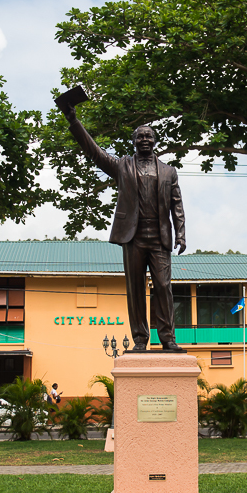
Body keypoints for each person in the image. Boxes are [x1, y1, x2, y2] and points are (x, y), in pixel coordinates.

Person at [58, 95, 186, 351]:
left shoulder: (169, 171)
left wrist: (181, 234)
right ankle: (139, 339)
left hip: (159, 237)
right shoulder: (122, 166)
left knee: (163, 287)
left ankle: (168, 339)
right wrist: (74, 122)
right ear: (134, 141)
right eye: (140, 136)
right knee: (135, 288)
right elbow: (94, 152)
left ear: (155, 141)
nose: (145, 140)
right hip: (133, 236)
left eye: (149, 136)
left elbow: (177, 204)